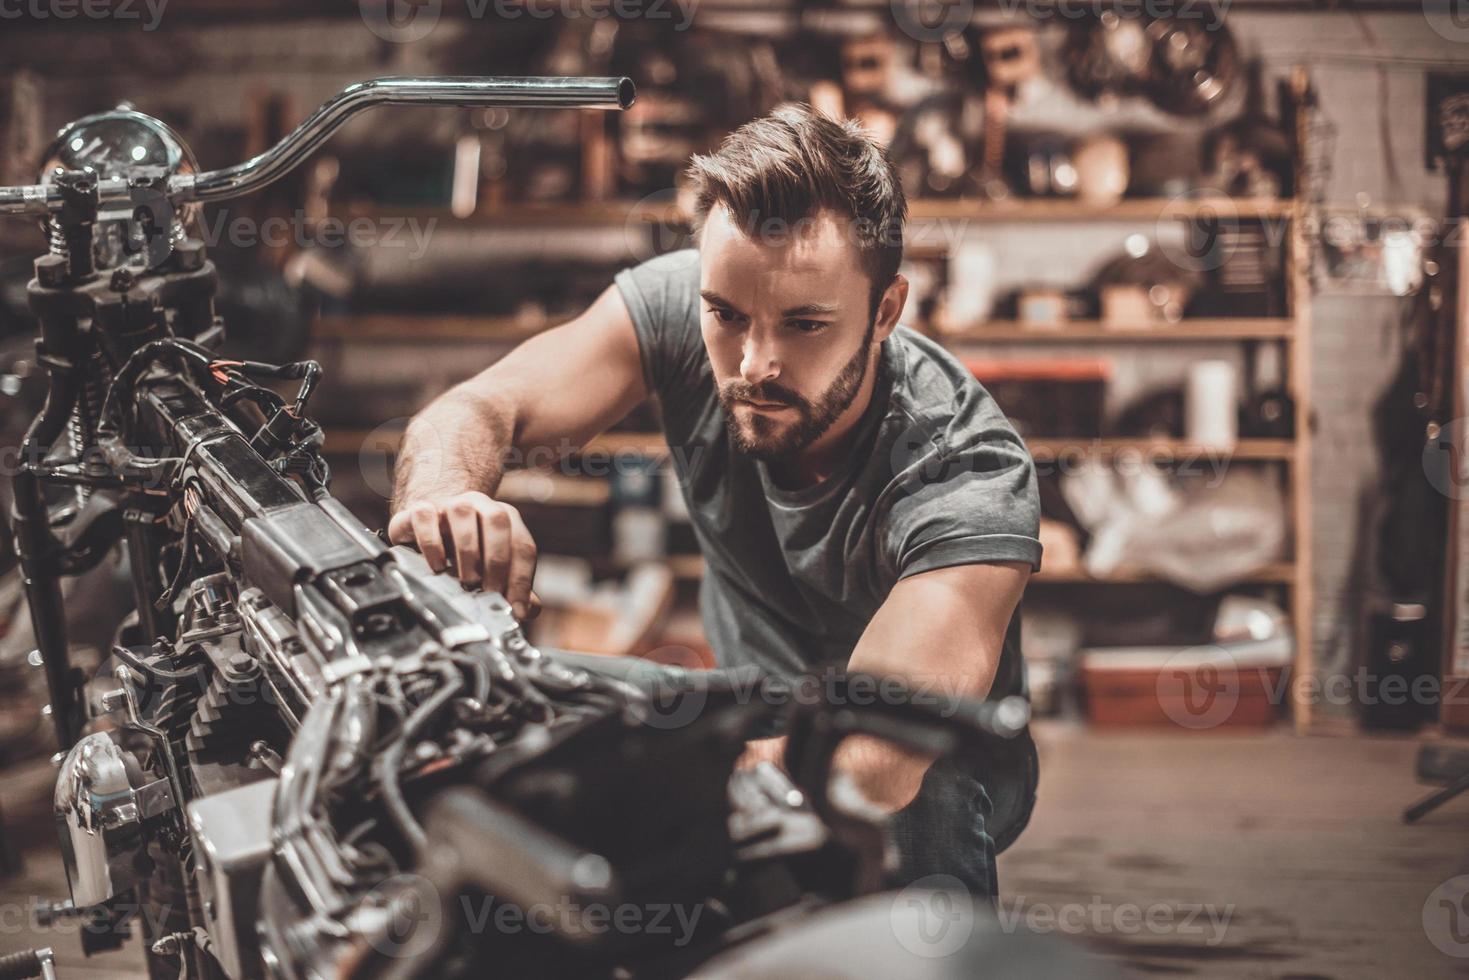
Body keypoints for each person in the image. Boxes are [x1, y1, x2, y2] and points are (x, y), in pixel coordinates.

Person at [388, 103, 1042, 897]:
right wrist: (443, 497)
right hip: (740, 708)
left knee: (908, 793)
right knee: (477, 699)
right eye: (726, 316)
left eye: (804, 324)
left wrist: (636, 789)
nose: (754, 364)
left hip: (911, 750)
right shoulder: (676, 303)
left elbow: (875, 759)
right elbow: (478, 409)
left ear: (886, 312)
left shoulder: (963, 470)